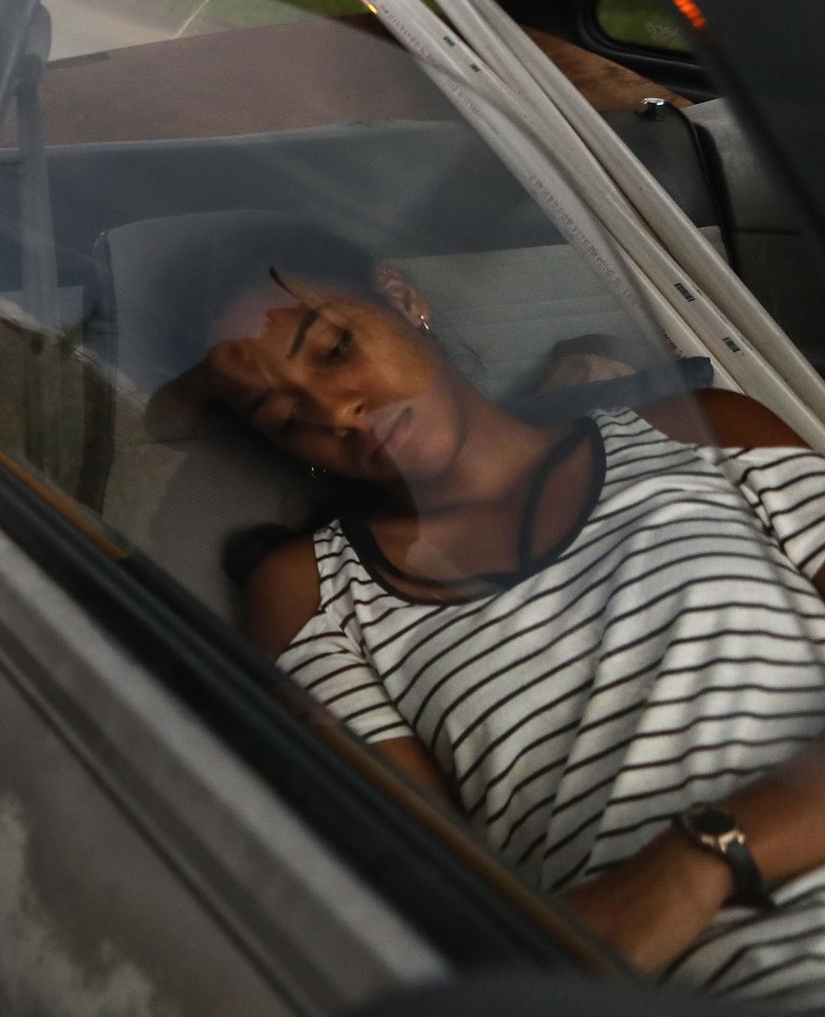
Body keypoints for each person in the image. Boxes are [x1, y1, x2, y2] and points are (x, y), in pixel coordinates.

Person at [147, 211, 825, 1005]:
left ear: (402, 298)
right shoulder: (317, 593)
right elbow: (441, 892)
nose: (336, 414)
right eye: (283, 415)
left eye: (335, 348)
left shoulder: (705, 435)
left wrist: (700, 861)